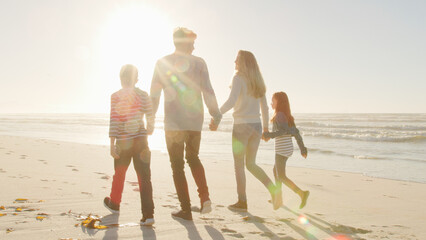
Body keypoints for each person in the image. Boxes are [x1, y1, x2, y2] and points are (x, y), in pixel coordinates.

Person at [150, 27, 222, 221]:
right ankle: (205, 198)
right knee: (193, 158)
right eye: (192, 42)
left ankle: (186, 210)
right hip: (194, 121)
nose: (194, 46)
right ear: (185, 43)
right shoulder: (200, 63)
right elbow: (208, 91)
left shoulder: (162, 63)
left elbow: (154, 95)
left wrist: (150, 119)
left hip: (173, 123)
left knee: (177, 165)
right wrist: (215, 115)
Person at [214, 50, 279, 212]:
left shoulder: (238, 78)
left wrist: (217, 114)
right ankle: (274, 190)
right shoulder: (258, 81)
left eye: (236, 60)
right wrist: (265, 128)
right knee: (251, 164)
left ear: (243, 63)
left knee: (239, 166)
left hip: (241, 127)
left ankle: (242, 201)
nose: (234, 63)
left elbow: (231, 101)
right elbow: (264, 107)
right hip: (256, 127)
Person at [104, 64, 155, 226]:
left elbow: (114, 120)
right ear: (136, 78)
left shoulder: (116, 96)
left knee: (119, 172)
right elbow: (150, 113)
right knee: (144, 177)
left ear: (121, 79)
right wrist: (149, 128)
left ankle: (115, 203)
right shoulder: (143, 95)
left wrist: (112, 144)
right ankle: (148, 214)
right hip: (141, 140)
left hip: (123, 140)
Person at [263, 91, 309, 209]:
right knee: (276, 171)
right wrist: (302, 149)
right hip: (287, 149)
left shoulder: (279, 115)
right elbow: (295, 133)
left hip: (282, 150)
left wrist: (269, 135)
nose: (271, 103)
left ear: (279, 102)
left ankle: (301, 193)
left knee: (281, 176)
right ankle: (279, 198)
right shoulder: (286, 115)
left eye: (273, 100)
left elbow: (282, 132)